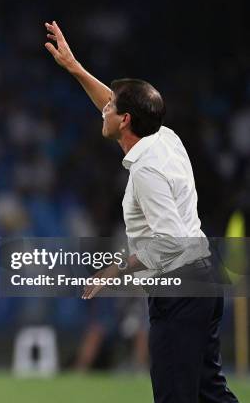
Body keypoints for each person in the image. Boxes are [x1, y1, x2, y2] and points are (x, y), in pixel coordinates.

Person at [44, 21, 237, 403]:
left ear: (126, 120)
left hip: (181, 283)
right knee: (209, 393)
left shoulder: (146, 169)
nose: (104, 110)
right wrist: (76, 68)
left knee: (174, 396)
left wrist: (114, 269)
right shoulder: (163, 136)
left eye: (111, 108)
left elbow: (171, 243)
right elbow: (111, 105)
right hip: (204, 274)